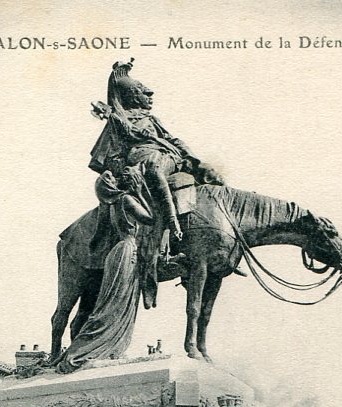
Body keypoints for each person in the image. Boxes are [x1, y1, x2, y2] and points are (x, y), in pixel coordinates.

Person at [89, 60, 224, 308]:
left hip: (170, 157)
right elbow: (112, 153)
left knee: (212, 176)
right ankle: (171, 224)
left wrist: (191, 157)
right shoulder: (119, 120)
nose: (149, 94)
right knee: (152, 167)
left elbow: (170, 138)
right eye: (143, 91)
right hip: (145, 164)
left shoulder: (150, 119)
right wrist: (114, 120)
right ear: (131, 96)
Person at [57, 166, 154, 373]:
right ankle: (101, 346)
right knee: (115, 303)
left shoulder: (109, 205)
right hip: (127, 251)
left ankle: (95, 345)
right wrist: (142, 195)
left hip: (115, 254)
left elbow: (99, 234)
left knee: (109, 302)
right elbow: (149, 219)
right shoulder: (127, 200)